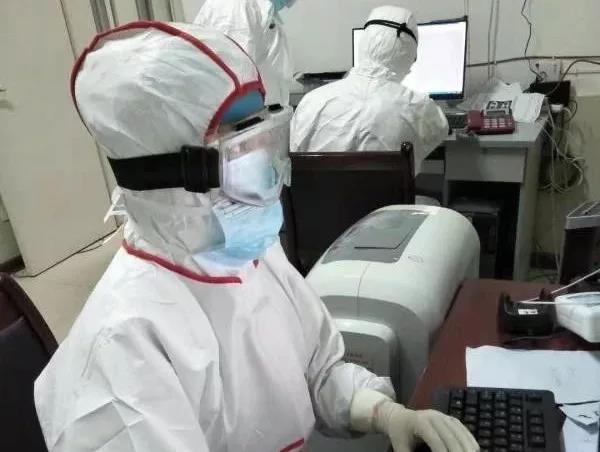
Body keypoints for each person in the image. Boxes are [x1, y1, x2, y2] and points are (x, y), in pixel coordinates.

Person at [34, 22, 477, 452]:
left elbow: (320, 372)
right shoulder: (123, 347)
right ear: (172, 180)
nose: (269, 175)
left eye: (267, 141)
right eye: (243, 155)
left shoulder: (249, 255)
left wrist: (386, 413)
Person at [290, 5, 449, 173]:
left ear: (364, 43)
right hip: (389, 192)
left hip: (321, 191)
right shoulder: (420, 107)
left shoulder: (310, 102)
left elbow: (295, 159)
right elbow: (441, 130)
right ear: (407, 54)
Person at [194, 0, 295, 107]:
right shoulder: (238, 7)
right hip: (244, 111)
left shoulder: (261, 9)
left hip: (263, 108)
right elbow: (236, 74)